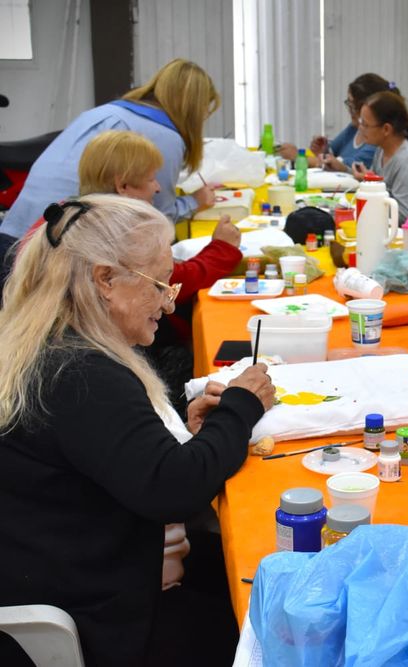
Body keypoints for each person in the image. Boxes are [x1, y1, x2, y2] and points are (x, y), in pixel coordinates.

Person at [0, 195, 275, 666]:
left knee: (246, 566)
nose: (169, 304)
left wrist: (188, 436)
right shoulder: (81, 371)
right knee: (265, 619)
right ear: (105, 280)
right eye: (159, 285)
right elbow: (177, 490)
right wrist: (242, 406)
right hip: (100, 620)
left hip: (66, 571)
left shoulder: (46, 344)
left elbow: (111, 457)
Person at [75, 130, 243, 413]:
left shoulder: (80, 217)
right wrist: (222, 250)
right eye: (151, 179)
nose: (157, 188)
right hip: (133, 356)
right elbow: (176, 279)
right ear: (124, 185)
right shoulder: (115, 233)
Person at [0, 58, 220, 242]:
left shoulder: (105, 112)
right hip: (53, 248)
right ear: (194, 107)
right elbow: (157, 217)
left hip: (15, 234)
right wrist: (195, 201)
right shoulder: (165, 136)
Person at [351, 91, 408, 222]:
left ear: (386, 129)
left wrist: (372, 196)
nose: (360, 128)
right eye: (360, 122)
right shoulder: (381, 150)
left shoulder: (407, 161)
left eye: (365, 124)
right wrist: (370, 181)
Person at [277, 73, 392, 172]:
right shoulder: (353, 128)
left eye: (352, 105)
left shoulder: (375, 140)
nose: (349, 111)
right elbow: (331, 153)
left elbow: (344, 166)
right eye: (349, 104)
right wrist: (322, 151)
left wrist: (298, 156)